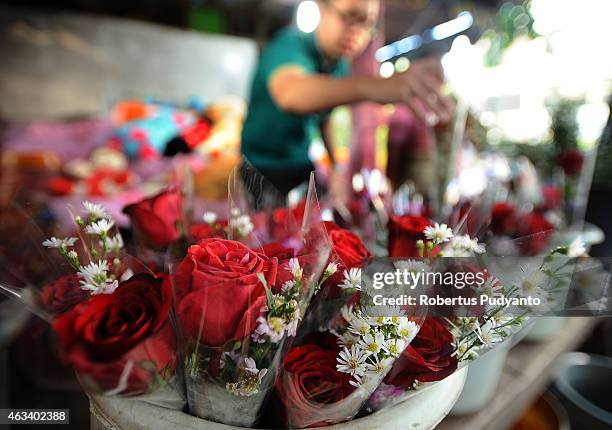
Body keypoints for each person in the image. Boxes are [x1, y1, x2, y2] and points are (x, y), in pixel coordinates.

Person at [240, 0, 452, 204]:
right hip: (261, 165)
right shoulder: (289, 45)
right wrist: (375, 86)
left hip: (300, 163)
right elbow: (290, 94)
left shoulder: (339, 66)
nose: (358, 31)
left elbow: (325, 116)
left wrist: (335, 167)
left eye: (368, 24)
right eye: (349, 17)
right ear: (322, 8)